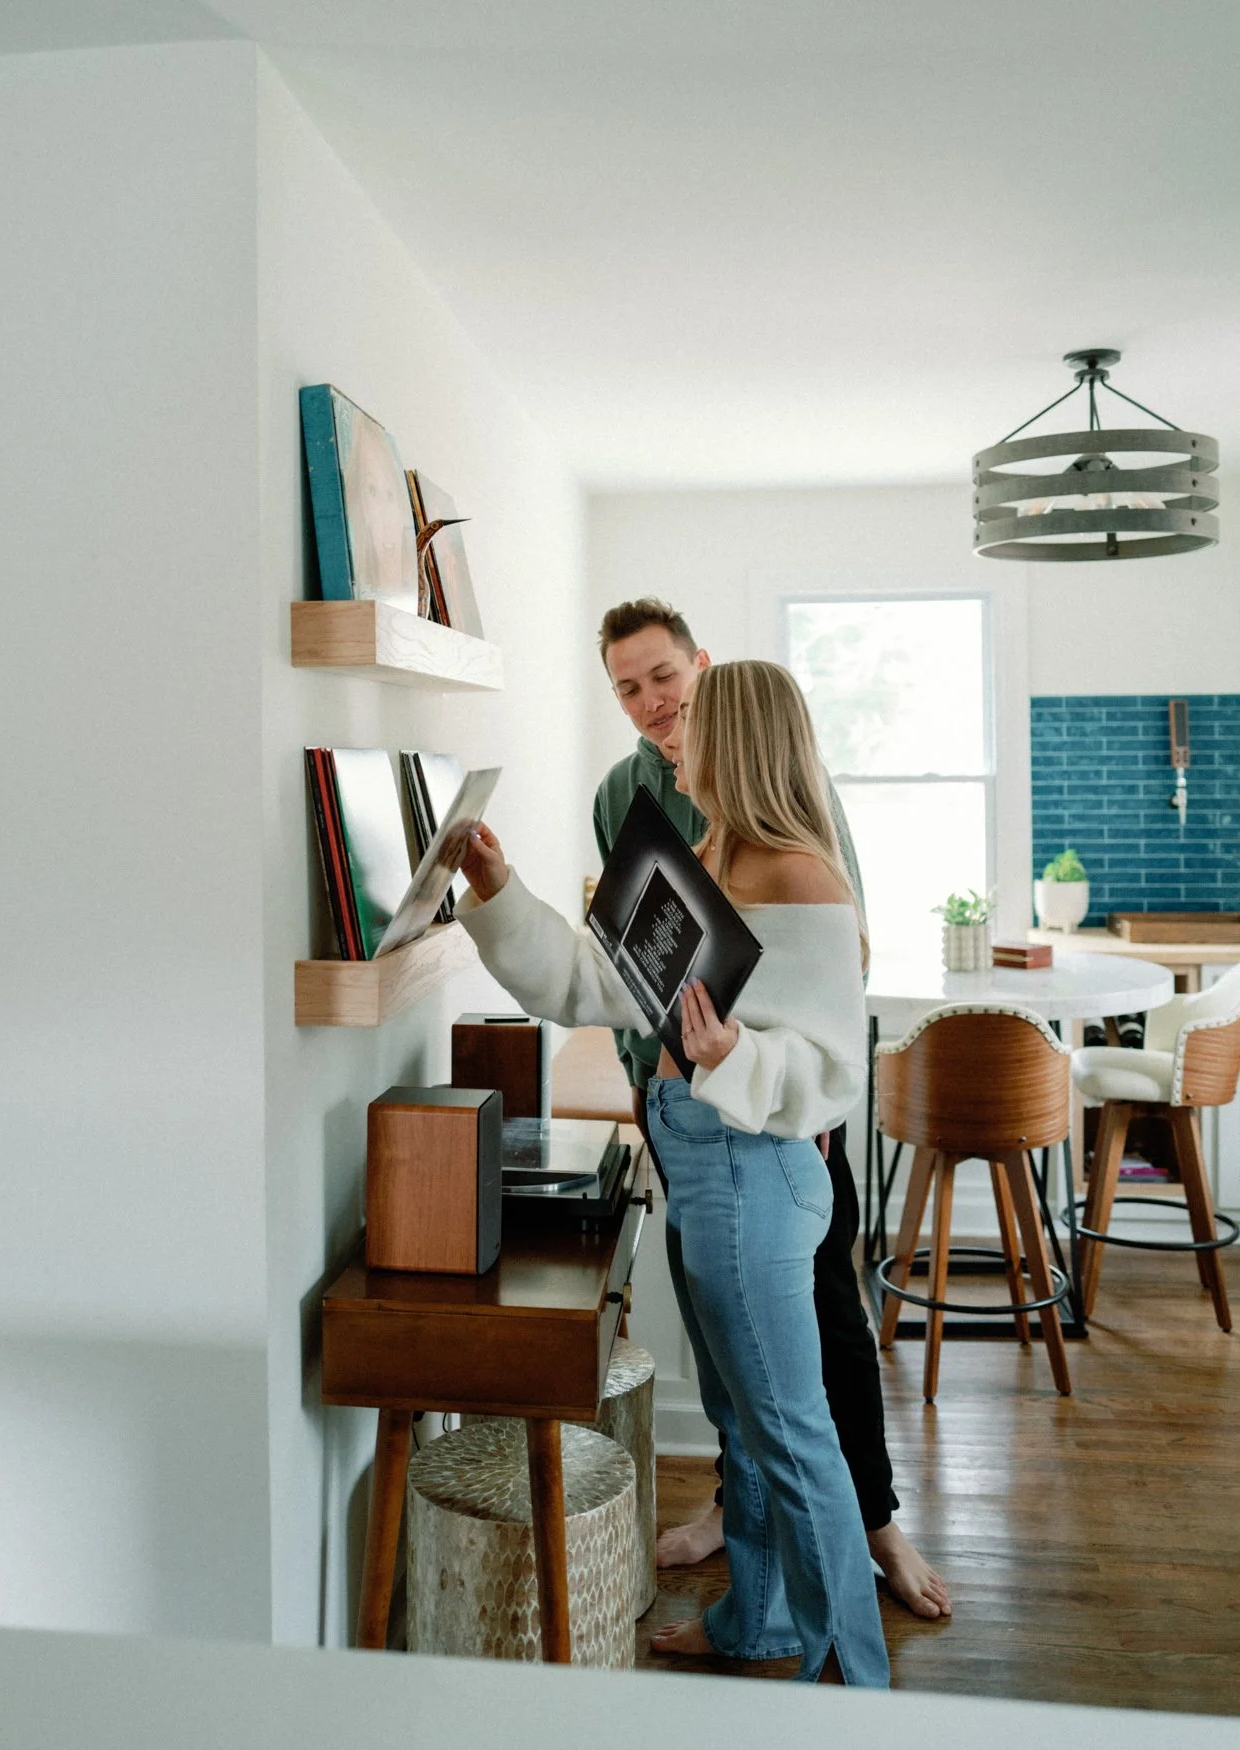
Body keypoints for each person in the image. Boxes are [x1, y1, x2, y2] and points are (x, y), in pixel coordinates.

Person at [457, 660, 890, 1683]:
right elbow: (580, 980)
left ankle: (851, 1677)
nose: (670, 735)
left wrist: (729, 1055)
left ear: (737, 739)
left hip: (750, 1175)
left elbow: (829, 1072)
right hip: (699, 1161)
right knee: (744, 1429)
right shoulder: (701, 856)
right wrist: (492, 884)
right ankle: (759, 1624)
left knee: (790, 1435)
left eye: (690, 717)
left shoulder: (797, 875)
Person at [594, 598, 950, 1622]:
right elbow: (630, 954)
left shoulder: (771, 780)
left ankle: (874, 1518)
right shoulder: (621, 793)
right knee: (723, 1331)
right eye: (627, 688)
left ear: (698, 668)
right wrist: (649, 1074)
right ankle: (732, 1507)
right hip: (684, 1105)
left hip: (785, 1107)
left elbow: (840, 946)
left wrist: (792, 1086)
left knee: (825, 1326)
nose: (652, 703)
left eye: (664, 677)